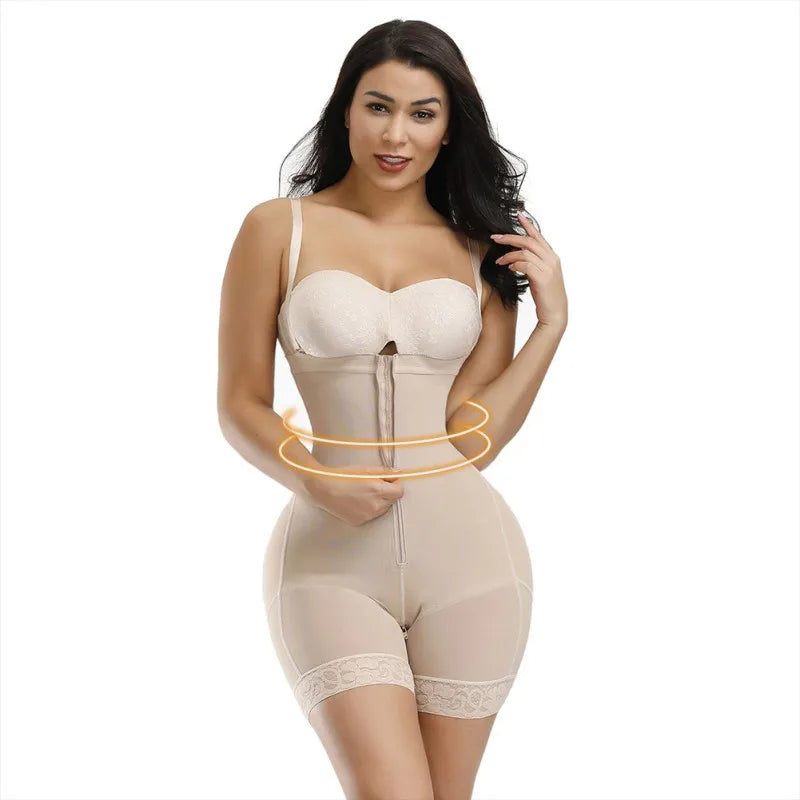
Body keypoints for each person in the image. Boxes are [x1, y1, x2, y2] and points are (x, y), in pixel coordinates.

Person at [217, 18, 568, 800]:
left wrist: (551, 327)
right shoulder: (278, 230)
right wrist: (314, 481)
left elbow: (472, 439)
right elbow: (240, 403)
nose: (395, 134)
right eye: (378, 106)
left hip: (473, 563)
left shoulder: (480, 250)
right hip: (329, 562)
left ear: (449, 129)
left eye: (422, 113)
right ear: (345, 110)